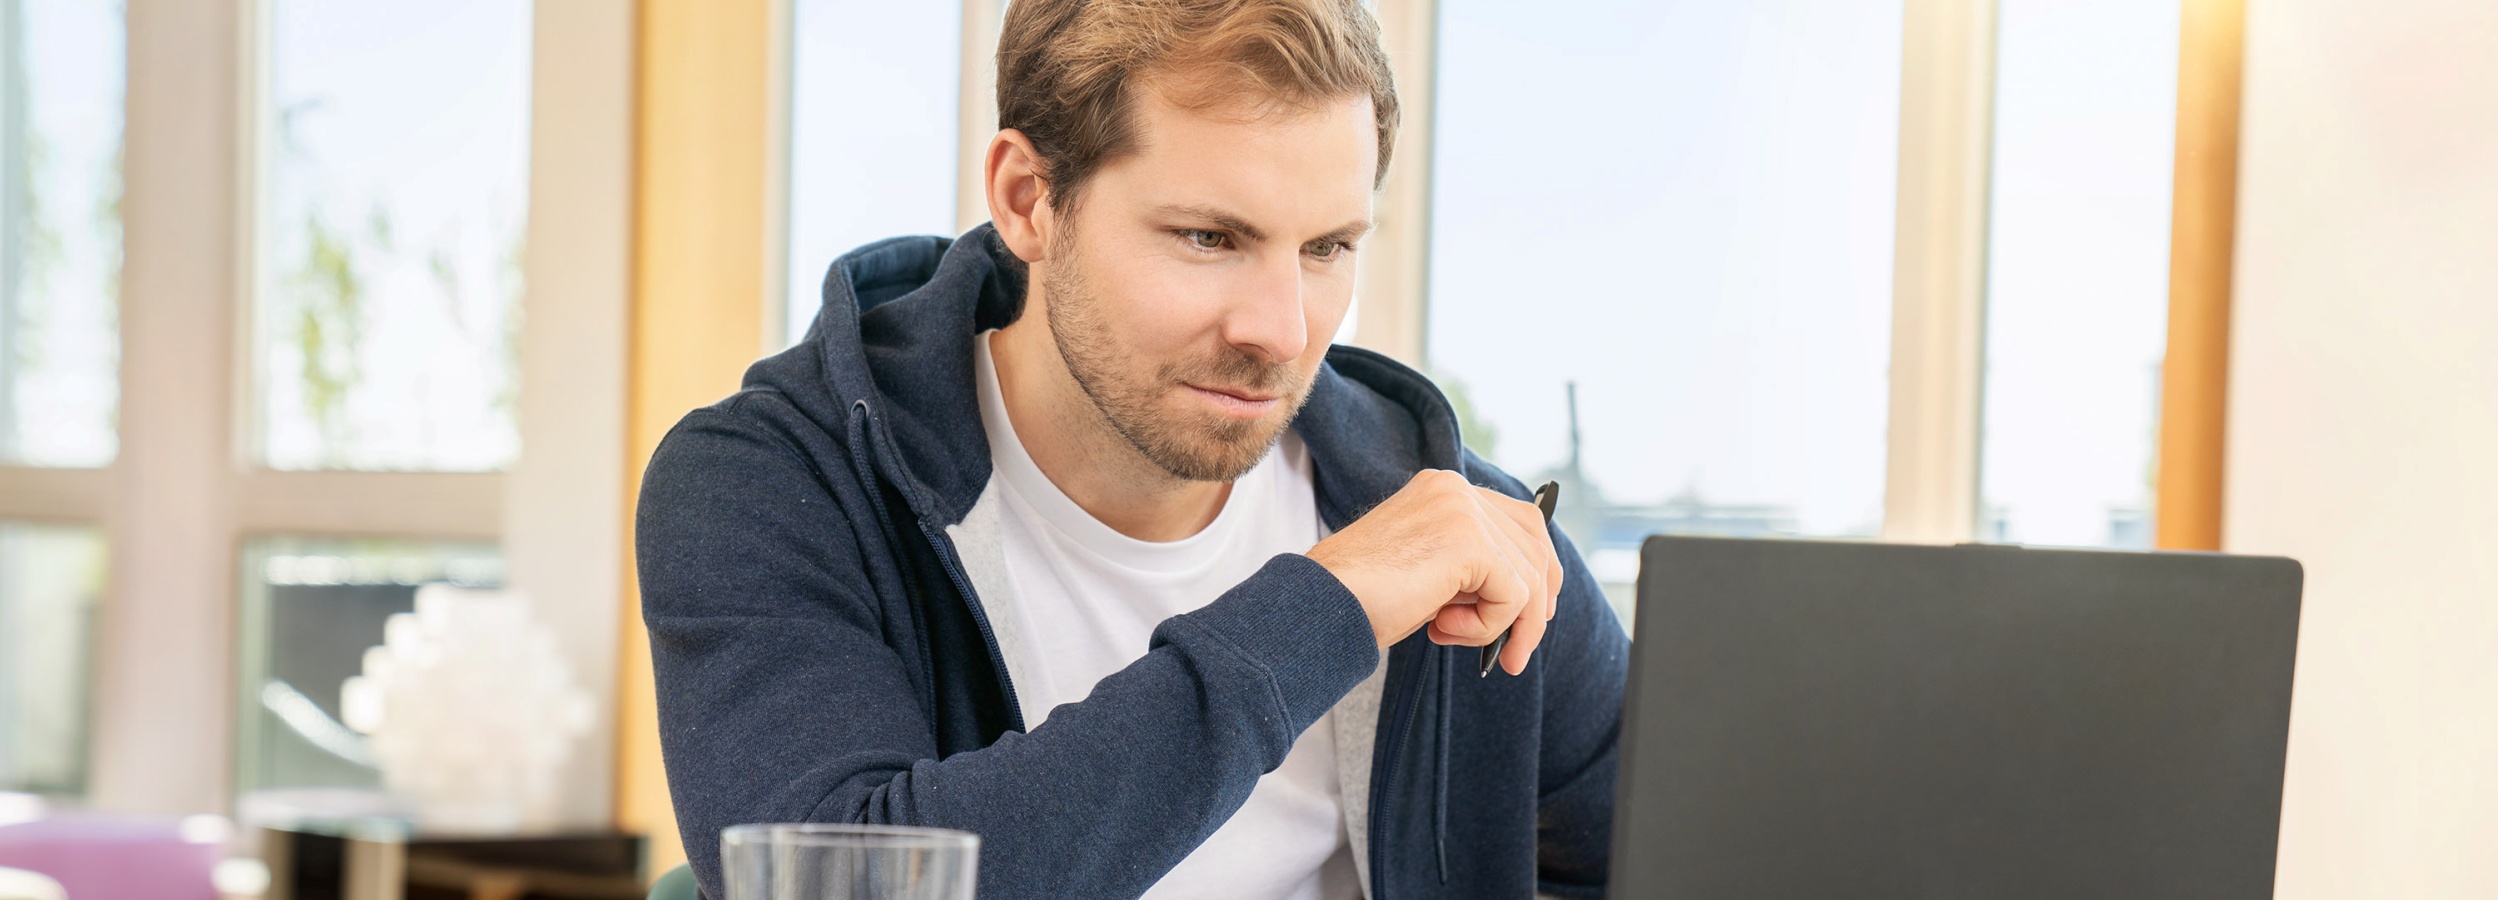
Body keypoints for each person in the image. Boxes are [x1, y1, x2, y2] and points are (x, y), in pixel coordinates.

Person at [635, 1, 1628, 897]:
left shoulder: (1459, 533)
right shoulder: (771, 487)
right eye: (1208, 238)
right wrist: (1329, 607)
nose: (1281, 331)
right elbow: (847, 878)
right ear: (1027, 199)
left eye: (1326, 248)